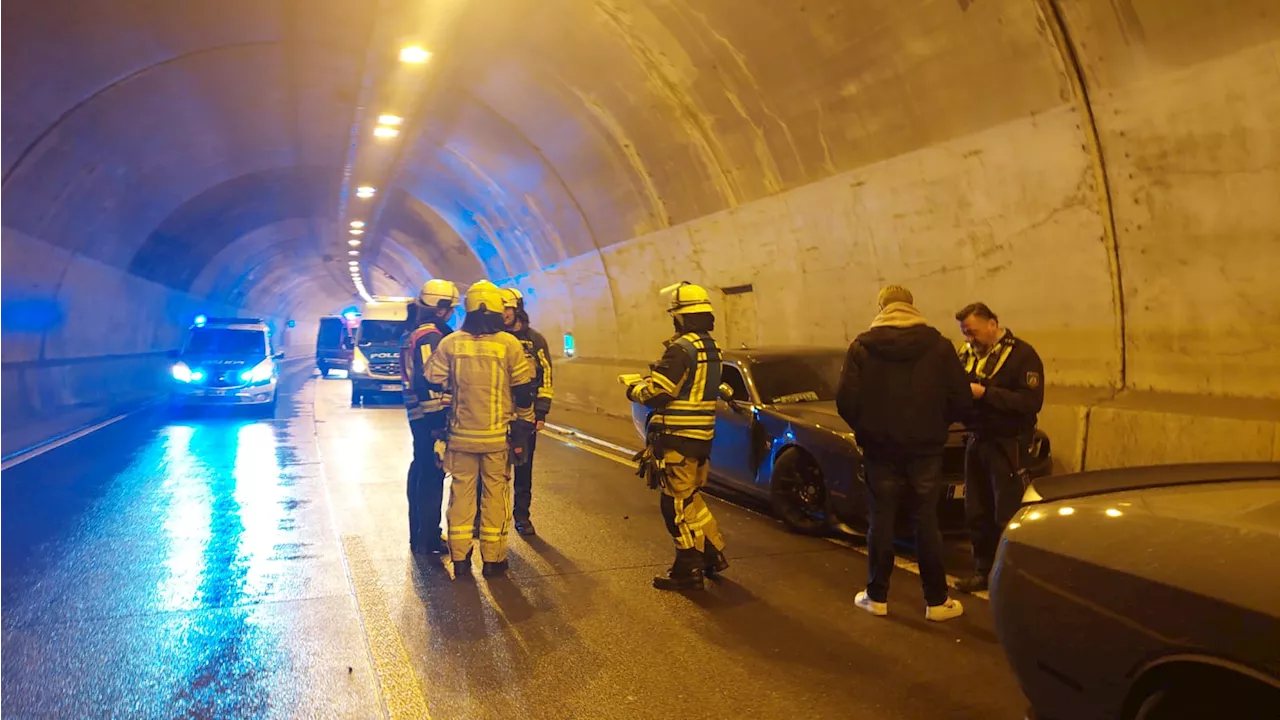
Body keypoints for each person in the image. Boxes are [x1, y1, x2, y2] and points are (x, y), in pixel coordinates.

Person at [835, 285, 971, 621]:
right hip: (926, 449)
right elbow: (962, 398)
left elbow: (845, 400)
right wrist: (937, 423)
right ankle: (937, 602)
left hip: (880, 450)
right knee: (926, 520)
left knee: (881, 519)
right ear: (911, 306)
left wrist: (868, 428)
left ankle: (876, 596)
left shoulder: (862, 347)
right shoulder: (940, 347)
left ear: (881, 307)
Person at [425, 280, 537, 578]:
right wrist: (523, 422)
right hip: (497, 439)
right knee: (495, 496)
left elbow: (431, 378)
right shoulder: (509, 344)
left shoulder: (451, 343)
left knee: (460, 496)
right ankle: (493, 560)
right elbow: (523, 390)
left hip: (460, 438)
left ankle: (460, 560)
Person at [624, 281, 729, 591]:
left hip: (678, 438)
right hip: (701, 437)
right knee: (691, 499)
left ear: (681, 317)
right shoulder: (711, 348)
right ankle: (712, 552)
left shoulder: (681, 349)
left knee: (675, 505)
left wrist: (633, 387)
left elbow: (659, 393)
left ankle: (687, 567)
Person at [951, 301, 1045, 593]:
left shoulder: (1021, 356)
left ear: (992, 324)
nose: (970, 339)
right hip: (977, 440)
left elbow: (1030, 402)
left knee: (1007, 512)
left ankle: (1013, 577)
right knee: (976, 510)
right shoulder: (965, 355)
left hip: (1008, 444)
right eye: (966, 333)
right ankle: (983, 570)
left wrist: (986, 394)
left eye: (974, 332)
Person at [399, 279, 460, 556]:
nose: (451, 315)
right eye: (450, 309)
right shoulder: (431, 337)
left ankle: (418, 533)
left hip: (417, 415)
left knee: (420, 471)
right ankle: (429, 538)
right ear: (441, 309)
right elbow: (428, 381)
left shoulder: (412, 333)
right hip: (428, 419)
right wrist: (439, 425)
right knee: (432, 475)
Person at [500, 287, 554, 536]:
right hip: (497, 414)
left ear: (517, 309)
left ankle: (522, 516)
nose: (503, 314)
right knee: (490, 469)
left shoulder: (534, 340)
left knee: (523, 467)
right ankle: (482, 517)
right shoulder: (494, 339)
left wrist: (541, 412)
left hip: (526, 415)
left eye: (507, 308)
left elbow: (546, 376)